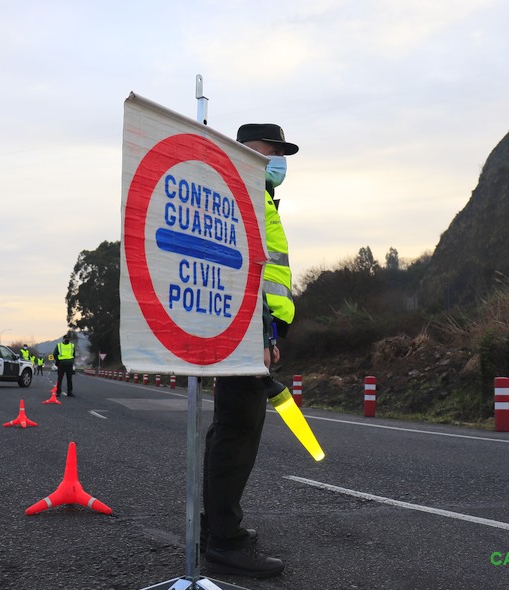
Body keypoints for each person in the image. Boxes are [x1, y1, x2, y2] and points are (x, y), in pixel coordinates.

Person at [202, 123, 299, 579]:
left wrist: (271, 331)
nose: (278, 159)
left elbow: (267, 274)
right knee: (237, 434)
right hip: (244, 332)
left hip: (255, 331)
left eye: (282, 153)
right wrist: (258, 335)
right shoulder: (241, 194)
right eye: (271, 150)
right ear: (245, 152)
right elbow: (241, 271)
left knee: (230, 430)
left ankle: (215, 529)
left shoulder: (261, 197)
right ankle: (225, 543)